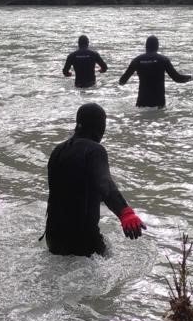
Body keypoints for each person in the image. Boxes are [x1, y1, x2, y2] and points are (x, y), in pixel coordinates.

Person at [43, 103, 146, 256]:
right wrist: (125, 212)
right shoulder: (95, 150)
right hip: (83, 241)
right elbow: (104, 183)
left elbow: (71, 189)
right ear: (99, 126)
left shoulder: (58, 150)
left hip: (53, 238)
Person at [118, 35, 192, 108]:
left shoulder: (137, 60)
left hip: (142, 103)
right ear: (157, 47)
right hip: (158, 103)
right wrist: (192, 77)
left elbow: (122, 81)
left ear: (146, 47)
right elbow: (177, 78)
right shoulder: (163, 60)